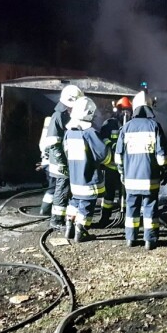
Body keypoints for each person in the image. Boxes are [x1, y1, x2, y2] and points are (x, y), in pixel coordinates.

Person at [115, 90, 167, 250]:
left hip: (130, 180)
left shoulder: (126, 128)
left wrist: (122, 173)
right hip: (149, 179)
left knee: (131, 209)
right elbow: (162, 157)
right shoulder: (155, 126)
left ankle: (130, 239)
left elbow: (118, 156)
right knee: (150, 209)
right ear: (150, 107)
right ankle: (150, 241)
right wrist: (164, 171)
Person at [63, 96, 112, 242]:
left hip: (75, 175)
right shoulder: (89, 132)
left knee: (75, 201)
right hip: (88, 175)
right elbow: (103, 154)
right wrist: (112, 159)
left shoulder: (69, 132)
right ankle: (81, 231)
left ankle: (69, 227)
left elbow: (66, 152)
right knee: (87, 203)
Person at [44, 84, 84, 229]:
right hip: (59, 161)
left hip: (63, 160)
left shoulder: (64, 114)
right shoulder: (59, 116)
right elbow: (54, 142)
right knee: (62, 189)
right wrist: (61, 162)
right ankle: (56, 220)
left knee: (63, 188)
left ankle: (60, 216)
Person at [97, 97, 133, 225]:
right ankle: (105, 218)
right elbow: (103, 140)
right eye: (123, 110)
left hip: (127, 167)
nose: (125, 114)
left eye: (128, 111)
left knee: (127, 193)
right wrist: (114, 147)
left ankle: (127, 217)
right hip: (111, 166)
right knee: (108, 195)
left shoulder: (132, 125)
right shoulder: (109, 124)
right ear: (117, 110)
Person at [36, 116, 55, 216]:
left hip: (46, 163)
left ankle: (47, 208)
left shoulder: (46, 134)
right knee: (53, 187)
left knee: (51, 186)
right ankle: (45, 209)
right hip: (51, 164)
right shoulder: (53, 134)